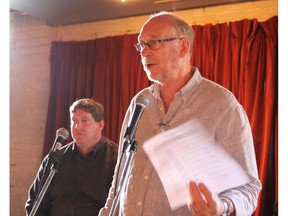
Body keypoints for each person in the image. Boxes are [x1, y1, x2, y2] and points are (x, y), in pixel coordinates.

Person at [99, 11, 262, 216]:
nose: (144, 52)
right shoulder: (139, 103)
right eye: (141, 45)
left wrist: (223, 207)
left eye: (154, 43)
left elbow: (248, 189)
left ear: (183, 47)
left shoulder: (222, 104)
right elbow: (120, 177)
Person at [25, 98, 118, 216]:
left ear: (100, 125)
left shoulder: (116, 159)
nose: (77, 126)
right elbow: (35, 202)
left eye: (85, 120)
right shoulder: (55, 157)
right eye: (74, 121)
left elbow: (119, 206)